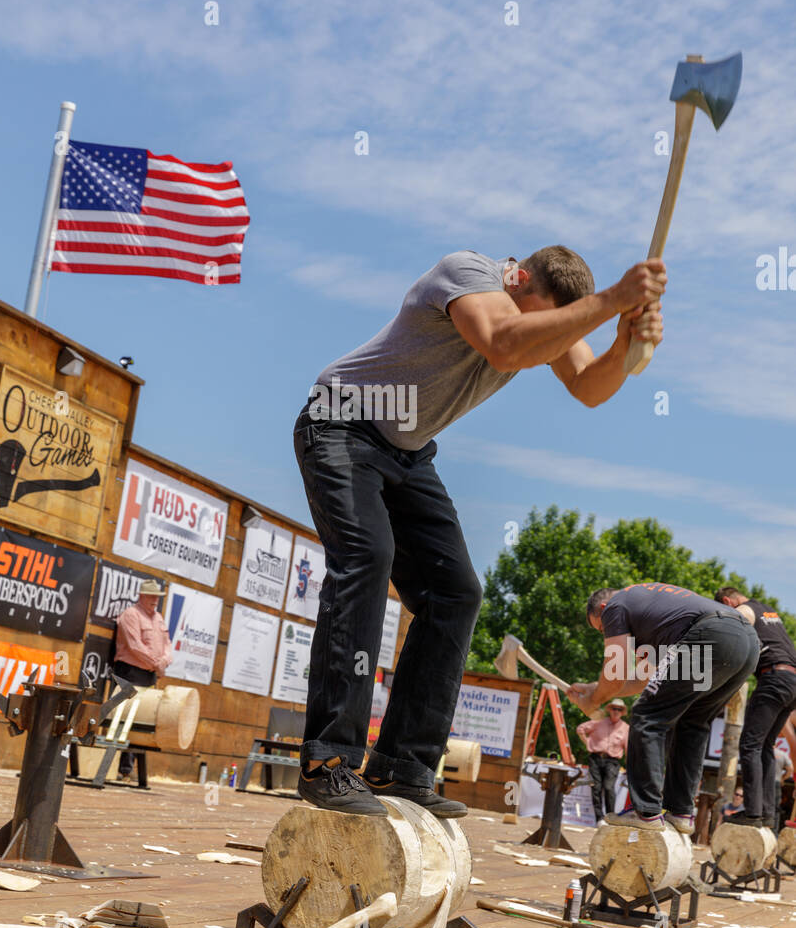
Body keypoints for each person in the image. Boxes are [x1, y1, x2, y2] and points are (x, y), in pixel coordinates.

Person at [293, 246, 666, 816]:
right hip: (340, 425)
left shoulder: (538, 315)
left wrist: (623, 338)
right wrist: (612, 299)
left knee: (456, 592)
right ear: (517, 278)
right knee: (366, 559)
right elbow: (505, 342)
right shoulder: (467, 272)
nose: (546, 343)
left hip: (407, 452)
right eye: (542, 318)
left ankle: (401, 767)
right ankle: (329, 761)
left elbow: (590, 386)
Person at [568, 583, 759, 833]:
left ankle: (645, 811)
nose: (607, 633)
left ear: (603, 609)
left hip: (709, 635)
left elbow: (615, 675)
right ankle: (680, 811)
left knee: (646, 716)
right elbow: (641, 679)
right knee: (691, 723)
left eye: (602, 628)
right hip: (746, 644)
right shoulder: (656, 613)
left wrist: (592, 701)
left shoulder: (615, 606)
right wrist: (595, 688)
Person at [713, 587, 796, 828]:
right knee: (765, 747)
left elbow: (741, 619)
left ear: (728, 601)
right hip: (792, 682)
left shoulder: (743, 609)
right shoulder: (767, 610)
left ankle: (752, 813)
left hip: (774, 678)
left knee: (749, 745)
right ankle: (767, 815)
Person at [112, 580, 172, 779]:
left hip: (148, 673)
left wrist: (164, 661)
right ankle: (114, 768)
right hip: (130, 672)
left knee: (143, 719)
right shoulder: (131, 615)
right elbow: (134, 646)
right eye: (151, 596)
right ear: (141, 596)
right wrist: (157, 663)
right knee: (123, 718)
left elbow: (168, 646)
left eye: (157, 597)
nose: (155, 600)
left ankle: (127, 770)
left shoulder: (159, 619)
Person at [577, 700, 628, 823]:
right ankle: (599, 819)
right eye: (614, 708)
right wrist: (588, 743)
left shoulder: (626, 728)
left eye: (619, 709)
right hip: (595, 758)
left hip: (612, 761)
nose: (616, 711)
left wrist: (629, 766)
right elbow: (580, 729)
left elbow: (628, 748)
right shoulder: (599, 722)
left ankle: (610, 818)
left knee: (609, 787)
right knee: (596, 788)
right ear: (609, 710)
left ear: (622, 712)